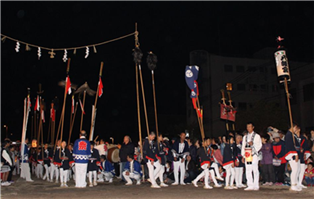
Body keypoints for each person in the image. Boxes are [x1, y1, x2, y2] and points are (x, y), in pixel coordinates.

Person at [241, 122, 262, 191]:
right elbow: (243, 146)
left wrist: (253, 144)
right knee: (248, 170)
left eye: (250, 127)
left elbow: (259, 145)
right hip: (247, 155)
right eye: (247, 127)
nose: (248, 128)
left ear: (253, 127)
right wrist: (243, 156)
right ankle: (250, 184)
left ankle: (256, 185)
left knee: (255, 170)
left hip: (254, 155)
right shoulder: (245, 137)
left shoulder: (257, 136)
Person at [285, 123, 302, 191]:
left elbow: (297, 144)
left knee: (297, 169)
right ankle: (293, 185)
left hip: (295, 153)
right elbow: (291, 146)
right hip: (292, 154)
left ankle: (296, 183)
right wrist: (295, 154)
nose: (296, 129)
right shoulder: (289, 135)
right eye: (295, 127)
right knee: (294, 170)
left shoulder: (292, 135)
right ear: (293, 127)